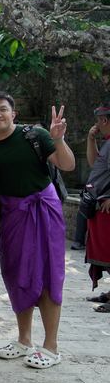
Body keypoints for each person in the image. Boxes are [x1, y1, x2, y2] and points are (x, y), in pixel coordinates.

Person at [0, 90, 75, 369]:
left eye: (3, 109)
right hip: (11, 215)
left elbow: (67, 165)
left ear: (13, 113)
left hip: (43, 210)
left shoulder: (35, 136)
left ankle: (51, 346)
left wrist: (58, 138)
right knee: (16, 274)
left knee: (47, 275)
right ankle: (24, 339)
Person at [85, 103, 110, 312]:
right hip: (99, 203)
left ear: (105, 120)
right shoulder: (107, 142)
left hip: (107, 205)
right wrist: (91, 139)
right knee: (103, 250)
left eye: (99, 120)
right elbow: (95, 166)